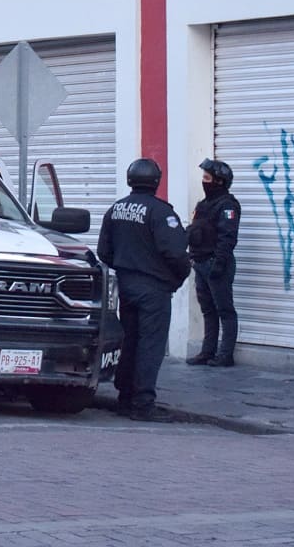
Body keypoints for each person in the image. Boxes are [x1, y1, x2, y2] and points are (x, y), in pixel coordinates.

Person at [97, 158, 190, 422]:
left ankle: (125, 397)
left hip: (127, 285)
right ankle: (143, 402)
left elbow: (104, 251)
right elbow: (175, 253)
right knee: (150, 345)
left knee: (129, 342)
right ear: (156, 181)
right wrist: (180, 276)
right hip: (154, 288)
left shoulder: (116, 209)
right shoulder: (161, 212)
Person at [185, 158, 241, 367]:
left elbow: (228, 237)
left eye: (207, 178)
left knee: (225, 310)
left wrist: (219, 263)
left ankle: (225, 354)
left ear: (219, 181)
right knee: (208, 310)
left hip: (217, 264)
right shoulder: (203, 205)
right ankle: (207, 351)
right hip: (200, 263)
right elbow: (195, 231)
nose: (204, 181)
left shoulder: (228, 205)